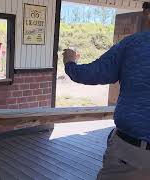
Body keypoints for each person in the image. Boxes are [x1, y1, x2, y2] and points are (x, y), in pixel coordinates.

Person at [62, 2, 150, 180]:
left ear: (148, 13)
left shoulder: (134, 44)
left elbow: (90, 74)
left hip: (133, 155)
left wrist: (69, 62)